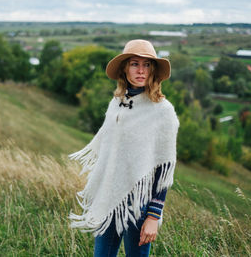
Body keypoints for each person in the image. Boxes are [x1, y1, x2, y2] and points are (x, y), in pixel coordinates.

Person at [69, 39, 179, 257]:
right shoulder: (117, 104)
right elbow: (109, 153)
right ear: (124, 69)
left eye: (147, 65)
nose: (141, 70)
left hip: (140, 205)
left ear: (153, 70)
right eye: (134, 64)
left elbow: (163, 168)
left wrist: (153, 216)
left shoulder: (163, 111)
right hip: (109, 197)